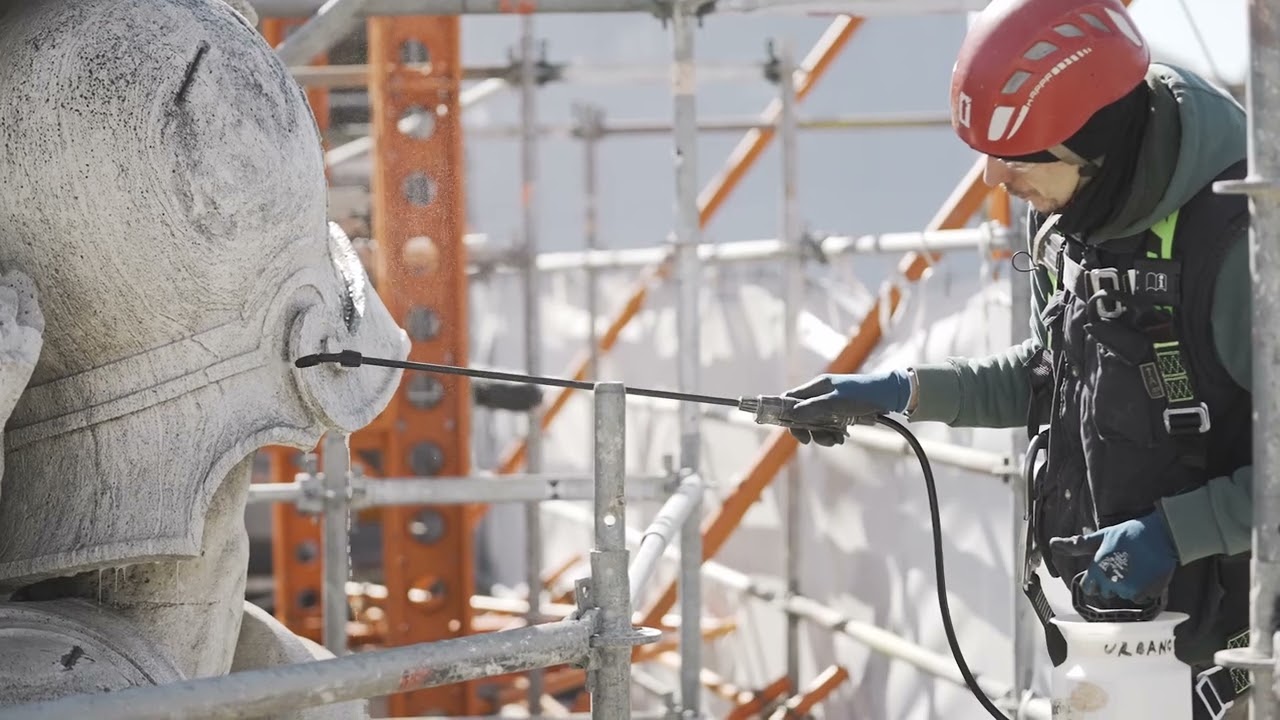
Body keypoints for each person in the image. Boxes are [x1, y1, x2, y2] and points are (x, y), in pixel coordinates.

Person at [784, 0, 1254, 715]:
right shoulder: (1073, 215)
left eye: (1014, 162)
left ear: (1098, 146)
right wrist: (905, 391)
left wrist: (1180, 532)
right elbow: (1055, 372)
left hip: (1247, 648)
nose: (993, 185)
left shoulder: (1245, 244)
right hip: (1136, 639)